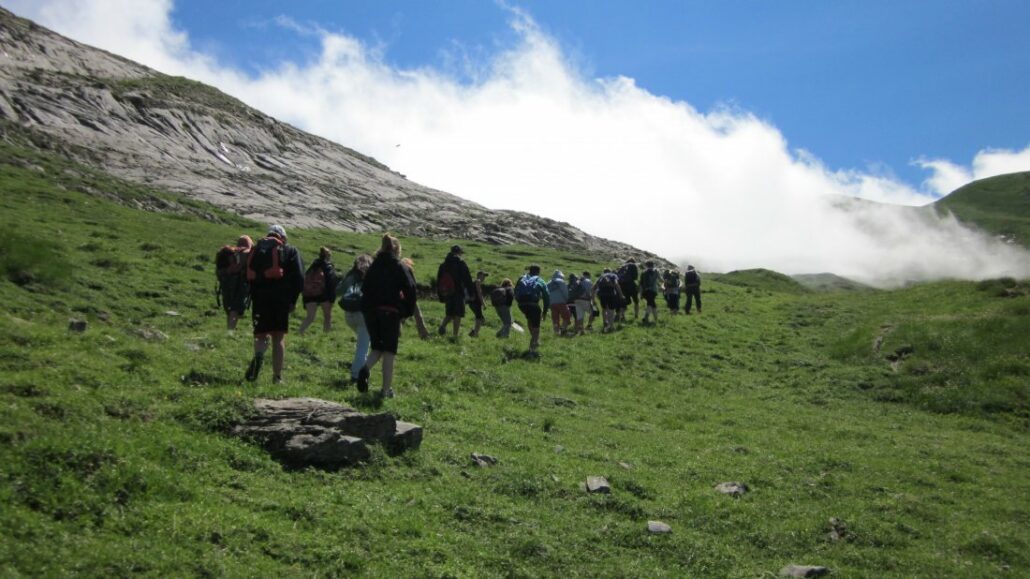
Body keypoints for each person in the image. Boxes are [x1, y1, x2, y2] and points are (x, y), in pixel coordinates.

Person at [357, 234, 418, 398]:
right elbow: (411, 289)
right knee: (389, 352)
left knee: (377, 347)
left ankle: (364, 369)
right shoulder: (399, 266)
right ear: (397, 250)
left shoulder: (374, 266)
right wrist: (406, 311)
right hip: (390, 312)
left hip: (370, 312)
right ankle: (385, 390)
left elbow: (365, 289)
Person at [245, 225, 304, 384]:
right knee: (278, 338)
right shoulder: (290, 250)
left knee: (261, 335)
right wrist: (293, 300)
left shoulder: (257, 250)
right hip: (280, 300)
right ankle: (277, 377)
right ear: (283, 238)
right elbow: (299, 277)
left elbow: (248, 275)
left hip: (259, 299)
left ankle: (259, 356)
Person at [338, 254, 373, 384]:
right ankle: (356, 375)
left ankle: (359, 370)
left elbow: (339, 291)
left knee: (362, 342)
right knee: (363, 347)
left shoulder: (351, 276)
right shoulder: (371, 277)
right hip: (363, 314)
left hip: (349, 314)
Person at [436, 245, 474, 340]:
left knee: (449, 312)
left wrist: (441, 295)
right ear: (459, 253)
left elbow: (439, 280)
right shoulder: (461, 263)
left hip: (447, 292)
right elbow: (467, 279)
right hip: (458, 292)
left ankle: (443, 326)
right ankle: (455, 336)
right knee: (458, 314)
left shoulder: (443, 265)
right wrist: (471, 292)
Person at [216, 234, 253, 330]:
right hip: (239, 282)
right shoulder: (247, 252)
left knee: (229, 307)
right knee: (235, 308)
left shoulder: (231, 252)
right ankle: (230, 331)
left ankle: (229, 328)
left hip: (225, 281)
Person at [298, 246, 338, 334]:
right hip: (324, 295)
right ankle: (325, 335)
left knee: (310, 317)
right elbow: (331, 283)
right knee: (327, 317)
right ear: (328, 256)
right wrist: (332, 298)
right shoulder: (328, 266)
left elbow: (305, 280)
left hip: (310, 294)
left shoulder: (313, 265)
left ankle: (300, 332)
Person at [514, 264, 550, 353]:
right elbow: (546, 297)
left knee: (530, 320)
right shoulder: (540, 280)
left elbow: (515, 291)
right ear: (538, 272)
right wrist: (545, 312)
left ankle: (535, 341)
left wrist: (520, 301)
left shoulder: (522, 278)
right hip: (533, 305)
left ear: (529, 271)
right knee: (536, 329)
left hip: (521, 305)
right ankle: (532, 350)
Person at [400, 257, 431, 340]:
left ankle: (398, 332)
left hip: (400, 296)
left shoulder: (398, 269)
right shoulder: (408, 270)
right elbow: (414, 284)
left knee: (401, 315)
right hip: (410, 296)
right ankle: (424, 334)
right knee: (418, 315)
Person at [592, 267, 624, 333]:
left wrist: (593, 299)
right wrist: (621, 294)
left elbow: (593, 288)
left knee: (604, 309)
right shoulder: (613, 275)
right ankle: (611, 325)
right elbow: (616, 284)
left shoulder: (601, 277)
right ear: (610, 271)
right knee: (611, 310)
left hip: (602, 295)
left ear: (604, 272)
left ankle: (605, 322)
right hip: (611, 294)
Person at [547, 270, 571, 335]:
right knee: (566, 316)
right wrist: (567, 299)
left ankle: (556, 332)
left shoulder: (549, 283)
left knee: (555, 318)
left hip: (552, 303)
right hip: (561, 302)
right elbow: (565, 292)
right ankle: (563, 330)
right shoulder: (561, 282)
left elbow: (547, 293)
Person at [569, 271, 593, 336]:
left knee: (580, 316)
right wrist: (592, 299)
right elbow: (590, 291)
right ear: (588, 275)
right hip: (585, 299)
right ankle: (589, 325)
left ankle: (581, 331)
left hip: (576, 300)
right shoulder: (588, 281)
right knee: (594, 312)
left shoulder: (578, 281)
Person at [467, 270, 489, 337]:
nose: (484, 278)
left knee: (481, 319)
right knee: (479, 319)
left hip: (472, 303)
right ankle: (475, 333)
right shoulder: (478, 281)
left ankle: (474, 332)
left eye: (485, 276)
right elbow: (479, 294)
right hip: (476, 303)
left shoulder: (474, 282)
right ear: (479, 275)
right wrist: (484, 304)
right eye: (483, 276)